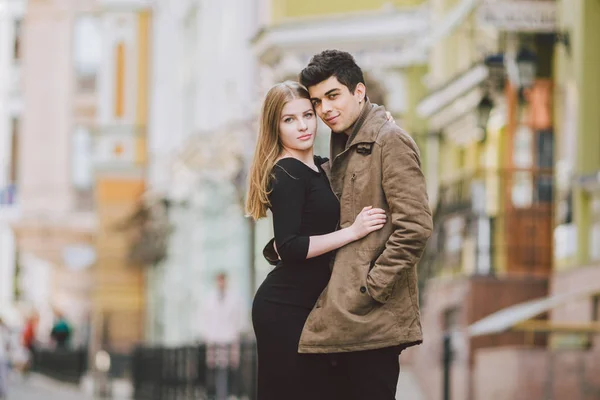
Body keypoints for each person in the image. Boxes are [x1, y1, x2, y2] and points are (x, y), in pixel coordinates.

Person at [264, 50, 433, 399]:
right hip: (339, 316)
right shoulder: (340, 145)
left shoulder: (391, 141)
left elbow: (414, 227)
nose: (324, 109)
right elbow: (323, 209)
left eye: (332, 96)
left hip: (371, 315)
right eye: (317, 101)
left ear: (359, 92)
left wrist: (371, 286)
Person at [246, 80, 388, 400]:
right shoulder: (287, 173)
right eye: (289, 120)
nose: (302, 126)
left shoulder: (320, 167)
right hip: (284, 307)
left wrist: (382, 128)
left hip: (314, 306)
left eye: (307, 115)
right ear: (275, 126)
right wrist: (352, 232)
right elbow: (290, 246)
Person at [197, 272, 246, 400]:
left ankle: (230, 395)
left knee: (230, 369)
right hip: (214, 338)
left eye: (223, 280)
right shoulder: (208, 299)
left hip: (230, 338)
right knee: (214, 370)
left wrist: (237, 332)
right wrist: (206, 335)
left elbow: (240, 319)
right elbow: (204, 318)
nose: (221, 283)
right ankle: (215, 395)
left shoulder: (235, 298)